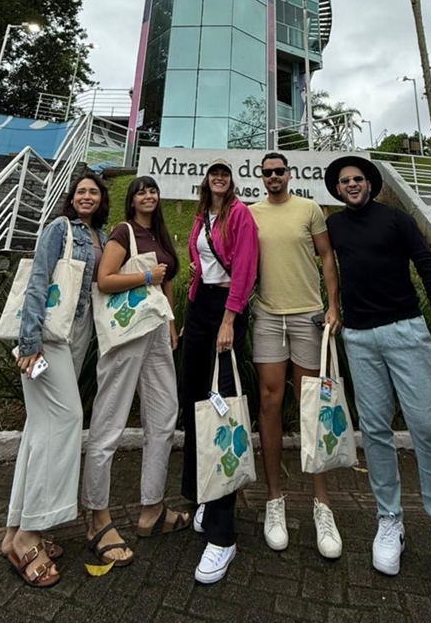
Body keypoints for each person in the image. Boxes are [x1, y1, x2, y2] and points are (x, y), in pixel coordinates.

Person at [323, 155, 431, 606]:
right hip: (358, 337)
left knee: (428, 431)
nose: (351, 185)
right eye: (343, 181)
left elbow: (429, 268)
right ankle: (389, 520)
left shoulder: (396, 219)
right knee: (374, 431)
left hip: (407, 332)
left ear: (370, 183)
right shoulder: (334, 227)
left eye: (357, 179)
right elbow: (328, 271)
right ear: (336, 189)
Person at [3, 171, 108, 588]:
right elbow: (37, 281)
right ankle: (31, 533)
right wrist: (29, 341)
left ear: (102, 200)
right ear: (72, 197)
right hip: (46, 335)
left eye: (94, 192)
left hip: (76, 334)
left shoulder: (98, 237)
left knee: (40, 429)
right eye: (81, 191)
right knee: (64, 423)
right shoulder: (58, 228)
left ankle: (17, 529)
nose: (86, 196)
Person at [81, 175, 189, 565]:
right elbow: (104, 280)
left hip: (158, 332)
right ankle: (97, 518)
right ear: (131, 200)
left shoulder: (161, 235)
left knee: (163, 419)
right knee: (109, 422)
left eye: (152, 190)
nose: (147, 194)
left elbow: (168, 282)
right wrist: (146, 276)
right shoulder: (122, 232)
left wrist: (172, 326)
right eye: (140, 190)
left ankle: (152, 509)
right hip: (127, 333)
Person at [249, 152, 343, 559]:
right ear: (261, 177)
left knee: (312, 407)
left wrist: (333, 305)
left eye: (279, 172)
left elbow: (327, 257)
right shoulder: (250, 213)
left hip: (307, 317)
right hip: (268, 317)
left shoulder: (309, 209)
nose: (273, 177)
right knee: (269, 404)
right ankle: (274, 500)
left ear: (289, 174)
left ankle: (322, 505)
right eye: (267, 172)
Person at [181, 158, 259, 585]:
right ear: (205, 181)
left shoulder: (240, 214)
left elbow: (244, 268)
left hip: (227, 311)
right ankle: (202, 496)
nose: (218, 179)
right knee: (195, 404)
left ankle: (223, 535)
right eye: (213, 173)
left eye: (225, 174)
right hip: (199, 309)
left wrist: (230, 318)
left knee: (223, 412)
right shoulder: (199, 217)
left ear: (230, 182)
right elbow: (200, 261)